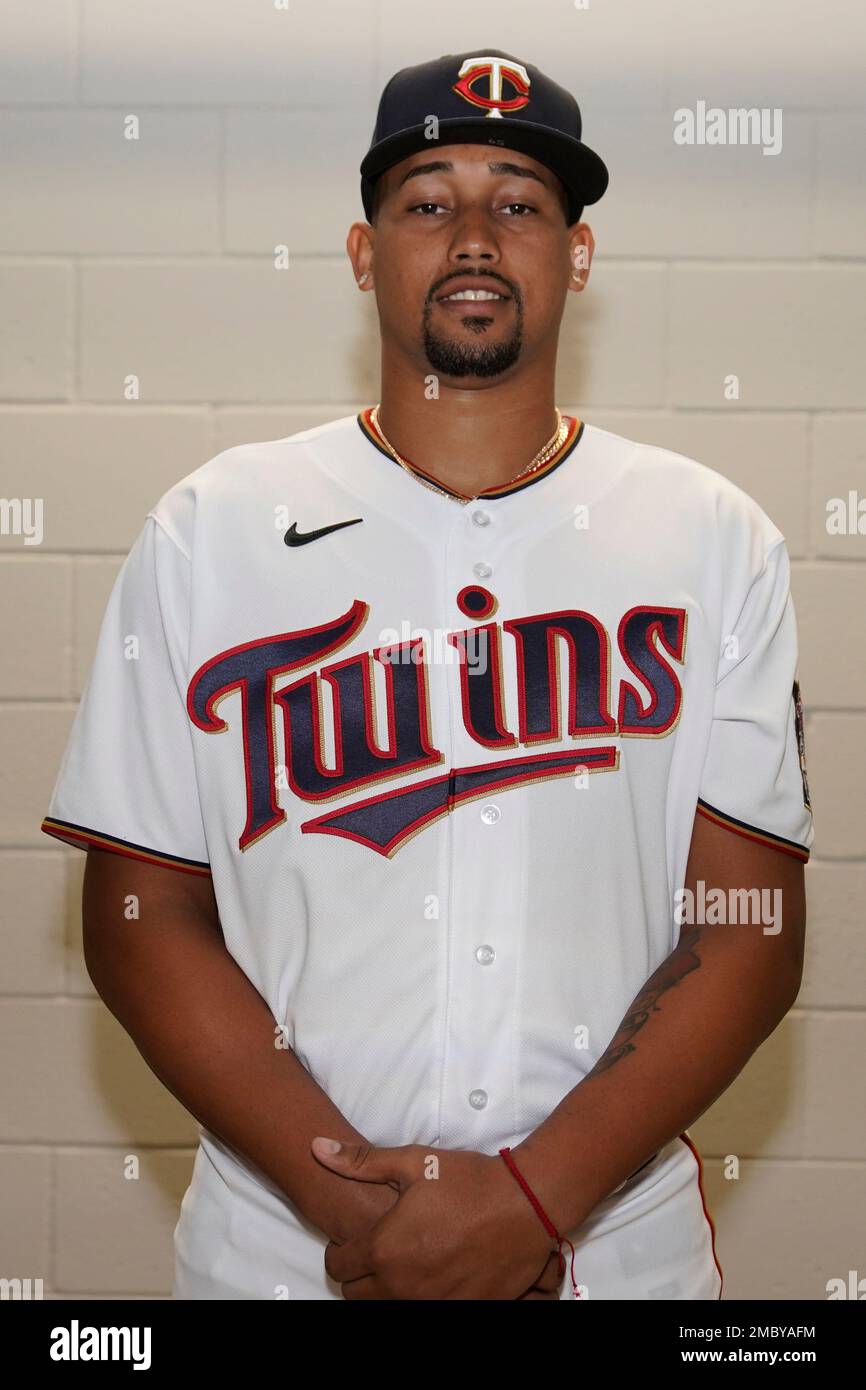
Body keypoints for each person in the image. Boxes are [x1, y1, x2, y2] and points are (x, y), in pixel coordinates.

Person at [41, 49, 813, 1300]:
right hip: (289, 1258)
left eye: (517, 201)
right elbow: (142, 916)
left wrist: (529, 1204)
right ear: (361, 252)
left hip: (607, 1259)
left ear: (576, 255)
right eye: (426, 199)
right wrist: (355, 1211)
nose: (471, 233)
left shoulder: (711, 536)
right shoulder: (214, 524)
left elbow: (747, 929)